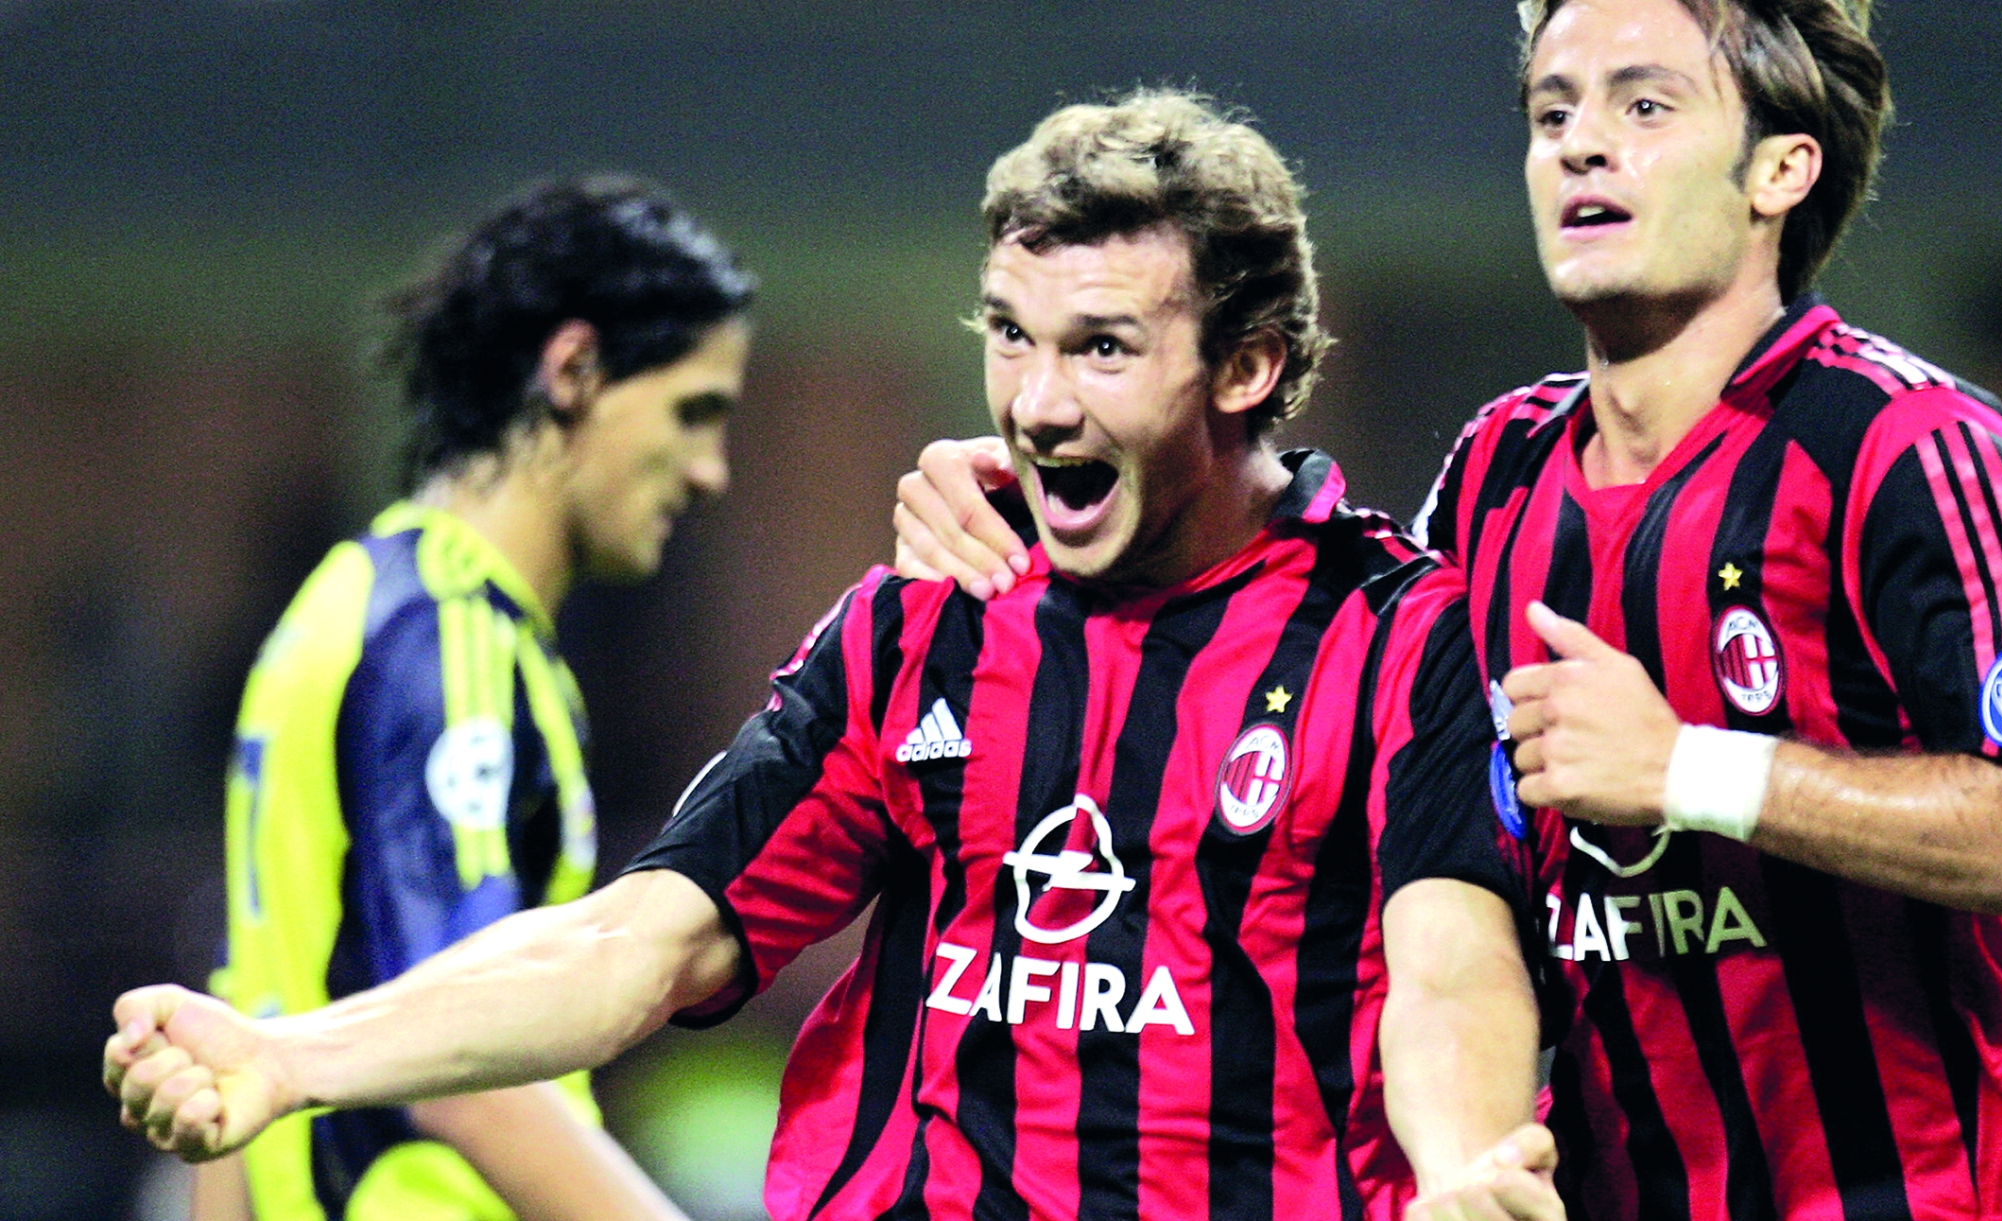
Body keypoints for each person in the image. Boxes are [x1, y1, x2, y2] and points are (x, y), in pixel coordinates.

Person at [106, 92, 1566, 1221]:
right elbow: (639, 941)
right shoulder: (923, 621)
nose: (1038, 404)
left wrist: (1467, 1171)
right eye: (1011, 335)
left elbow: (1446, 973)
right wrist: (292, 1057)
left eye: (1104, 349)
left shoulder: (1396, 634)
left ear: (1246, 367)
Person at [887, 3, 2002, 1217]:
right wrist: (1038, 488)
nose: (1580, 144)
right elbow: (1311, 652)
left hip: (1946, 1196)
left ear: (1781, 170)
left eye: (1643, 105)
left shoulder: (1906, 448)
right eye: (1553, 112)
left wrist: (1693, 771)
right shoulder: (1500, 471)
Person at [184, 176, 755, 1221]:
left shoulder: (350, 605)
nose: (711, 469)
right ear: (574, 370)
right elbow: (477, 1071)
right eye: (692, 412)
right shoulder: (445, 648)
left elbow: (232, 1022)